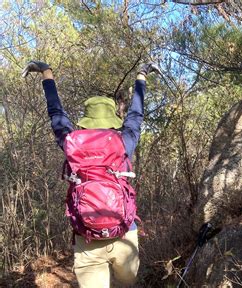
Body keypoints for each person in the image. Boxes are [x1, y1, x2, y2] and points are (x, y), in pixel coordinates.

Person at [22, 60, 160, 287]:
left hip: (86, 234)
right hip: (124, 231)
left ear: (86, 121)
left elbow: (55, 113)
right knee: (128, 281)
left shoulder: (71, 142)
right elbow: (137, 113)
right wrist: (142, 75)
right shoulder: (123, 141)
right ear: (112, 119)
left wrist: (47, 72)